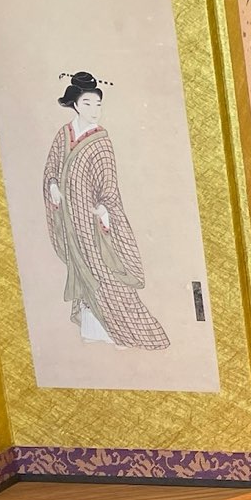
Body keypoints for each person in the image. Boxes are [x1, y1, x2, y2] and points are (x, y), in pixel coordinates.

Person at [41, 71, 169, 349]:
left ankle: (125, 333)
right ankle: (94, 331)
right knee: (83, 276)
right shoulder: (63, 135)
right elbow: (51, 167)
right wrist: (52, 185)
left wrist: (104, 210)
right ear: (76, 105)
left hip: (92, 223)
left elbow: (109, 187)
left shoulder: (101, 142)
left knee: (104, 277)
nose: (94, 110)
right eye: (88, 104)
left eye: (98, 104)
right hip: (70, 220)